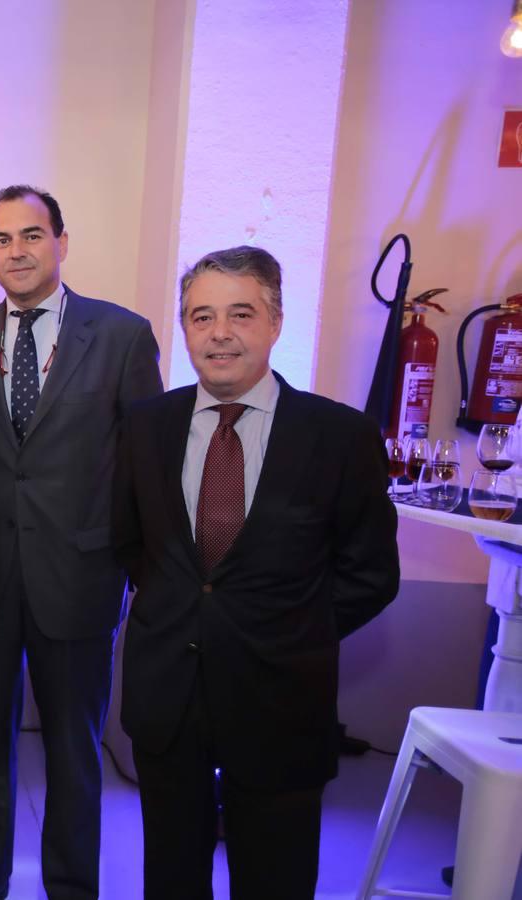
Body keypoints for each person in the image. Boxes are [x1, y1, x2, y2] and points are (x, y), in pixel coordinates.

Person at [111, 246, 399, 899]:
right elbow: (130, 543)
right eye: (200, 316)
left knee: (276, 877)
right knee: (172, 878)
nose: (218, 333)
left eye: (240, 313)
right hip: (168, 696)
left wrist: (292, 629)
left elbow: (372, 573)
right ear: (183, 329)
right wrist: (180, 607)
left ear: (275, 323)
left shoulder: (340, 437)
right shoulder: (144, 428)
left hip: (281, 700)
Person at [0, 184, 163, 900]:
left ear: (63, 241)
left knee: (74, 754)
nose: (18, 251)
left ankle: (70, 886)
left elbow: (146, 465)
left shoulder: (123, 335)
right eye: (2, 239)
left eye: (32, 235)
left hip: (82, 578)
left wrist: (135, 568)